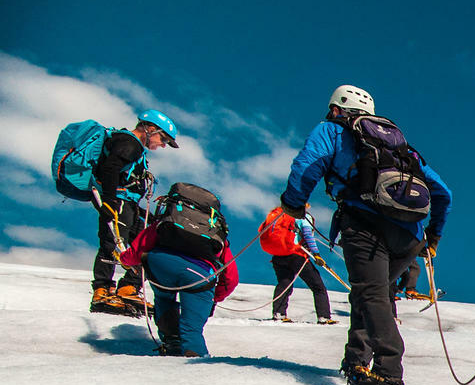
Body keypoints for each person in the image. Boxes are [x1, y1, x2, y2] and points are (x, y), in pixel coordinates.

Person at [280, 85, 450, 385]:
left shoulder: (331, 130)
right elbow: (443, 192)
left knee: (371, 295)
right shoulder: (401, 147)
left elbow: (308, 163)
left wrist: (293, 203)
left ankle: (388, 371)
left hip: (365, 223)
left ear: (335, 109)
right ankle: (356, 361)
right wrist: (433, 236)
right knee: (374, 293)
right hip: (410, 235)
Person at [118, 187, 238, 357]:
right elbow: (231, 278)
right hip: (200, 274)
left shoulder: (167, 221)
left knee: (163, 296)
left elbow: (137, 250)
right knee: (192, 329)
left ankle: (171, 340)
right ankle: (195, 362)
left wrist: (124, 259)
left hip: (162, 264)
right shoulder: (216, 233)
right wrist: (214, 297)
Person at [87, 111, 177, 315]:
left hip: (126, 203)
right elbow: (111, 168)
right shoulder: (130, 143)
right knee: (112, 244)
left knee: (152, 239)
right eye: (163, 139)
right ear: (151, 129)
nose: (163, 145)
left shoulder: (130, 144)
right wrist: (109, 202)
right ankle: (102, 292)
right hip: (118, 200)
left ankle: (128, 287)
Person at [258, 205, 336, 323]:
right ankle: (324, 317)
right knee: (318, 287)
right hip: (296, 255)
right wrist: (316, 254)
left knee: (284, 284)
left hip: (278, 255)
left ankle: (279, 314)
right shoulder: (303, 217)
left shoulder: (279, 215)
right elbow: (308, 235)